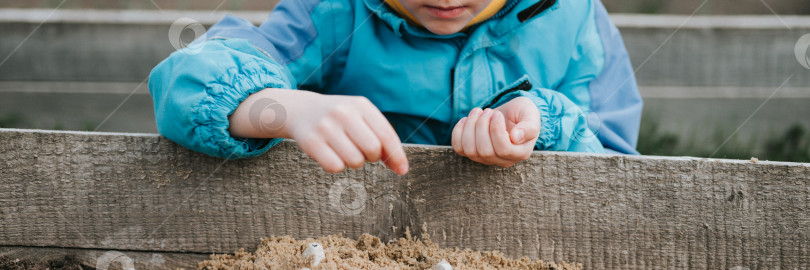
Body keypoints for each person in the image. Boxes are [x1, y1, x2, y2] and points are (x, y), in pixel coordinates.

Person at [148, 0, 643, 175]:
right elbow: (188, 75)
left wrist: (548, 124)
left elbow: (618, 165)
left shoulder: (576, 19)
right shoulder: (332, 11)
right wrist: (278, 106)